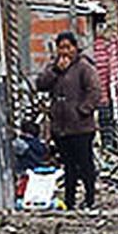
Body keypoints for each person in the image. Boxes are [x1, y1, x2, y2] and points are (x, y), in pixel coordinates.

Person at [34, 31, 100, 209]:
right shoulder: (54, 67)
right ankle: (70, 200)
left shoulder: (84, 67)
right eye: (61, 48)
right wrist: (56, 71)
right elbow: (41, 84)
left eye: (68, 47)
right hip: (60, 127)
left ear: (75, 48)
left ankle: (90, 198)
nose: (65, 51)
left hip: (81, 127)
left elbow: (94, 91)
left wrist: (83, 110)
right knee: (68, 165)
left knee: (85, 164)